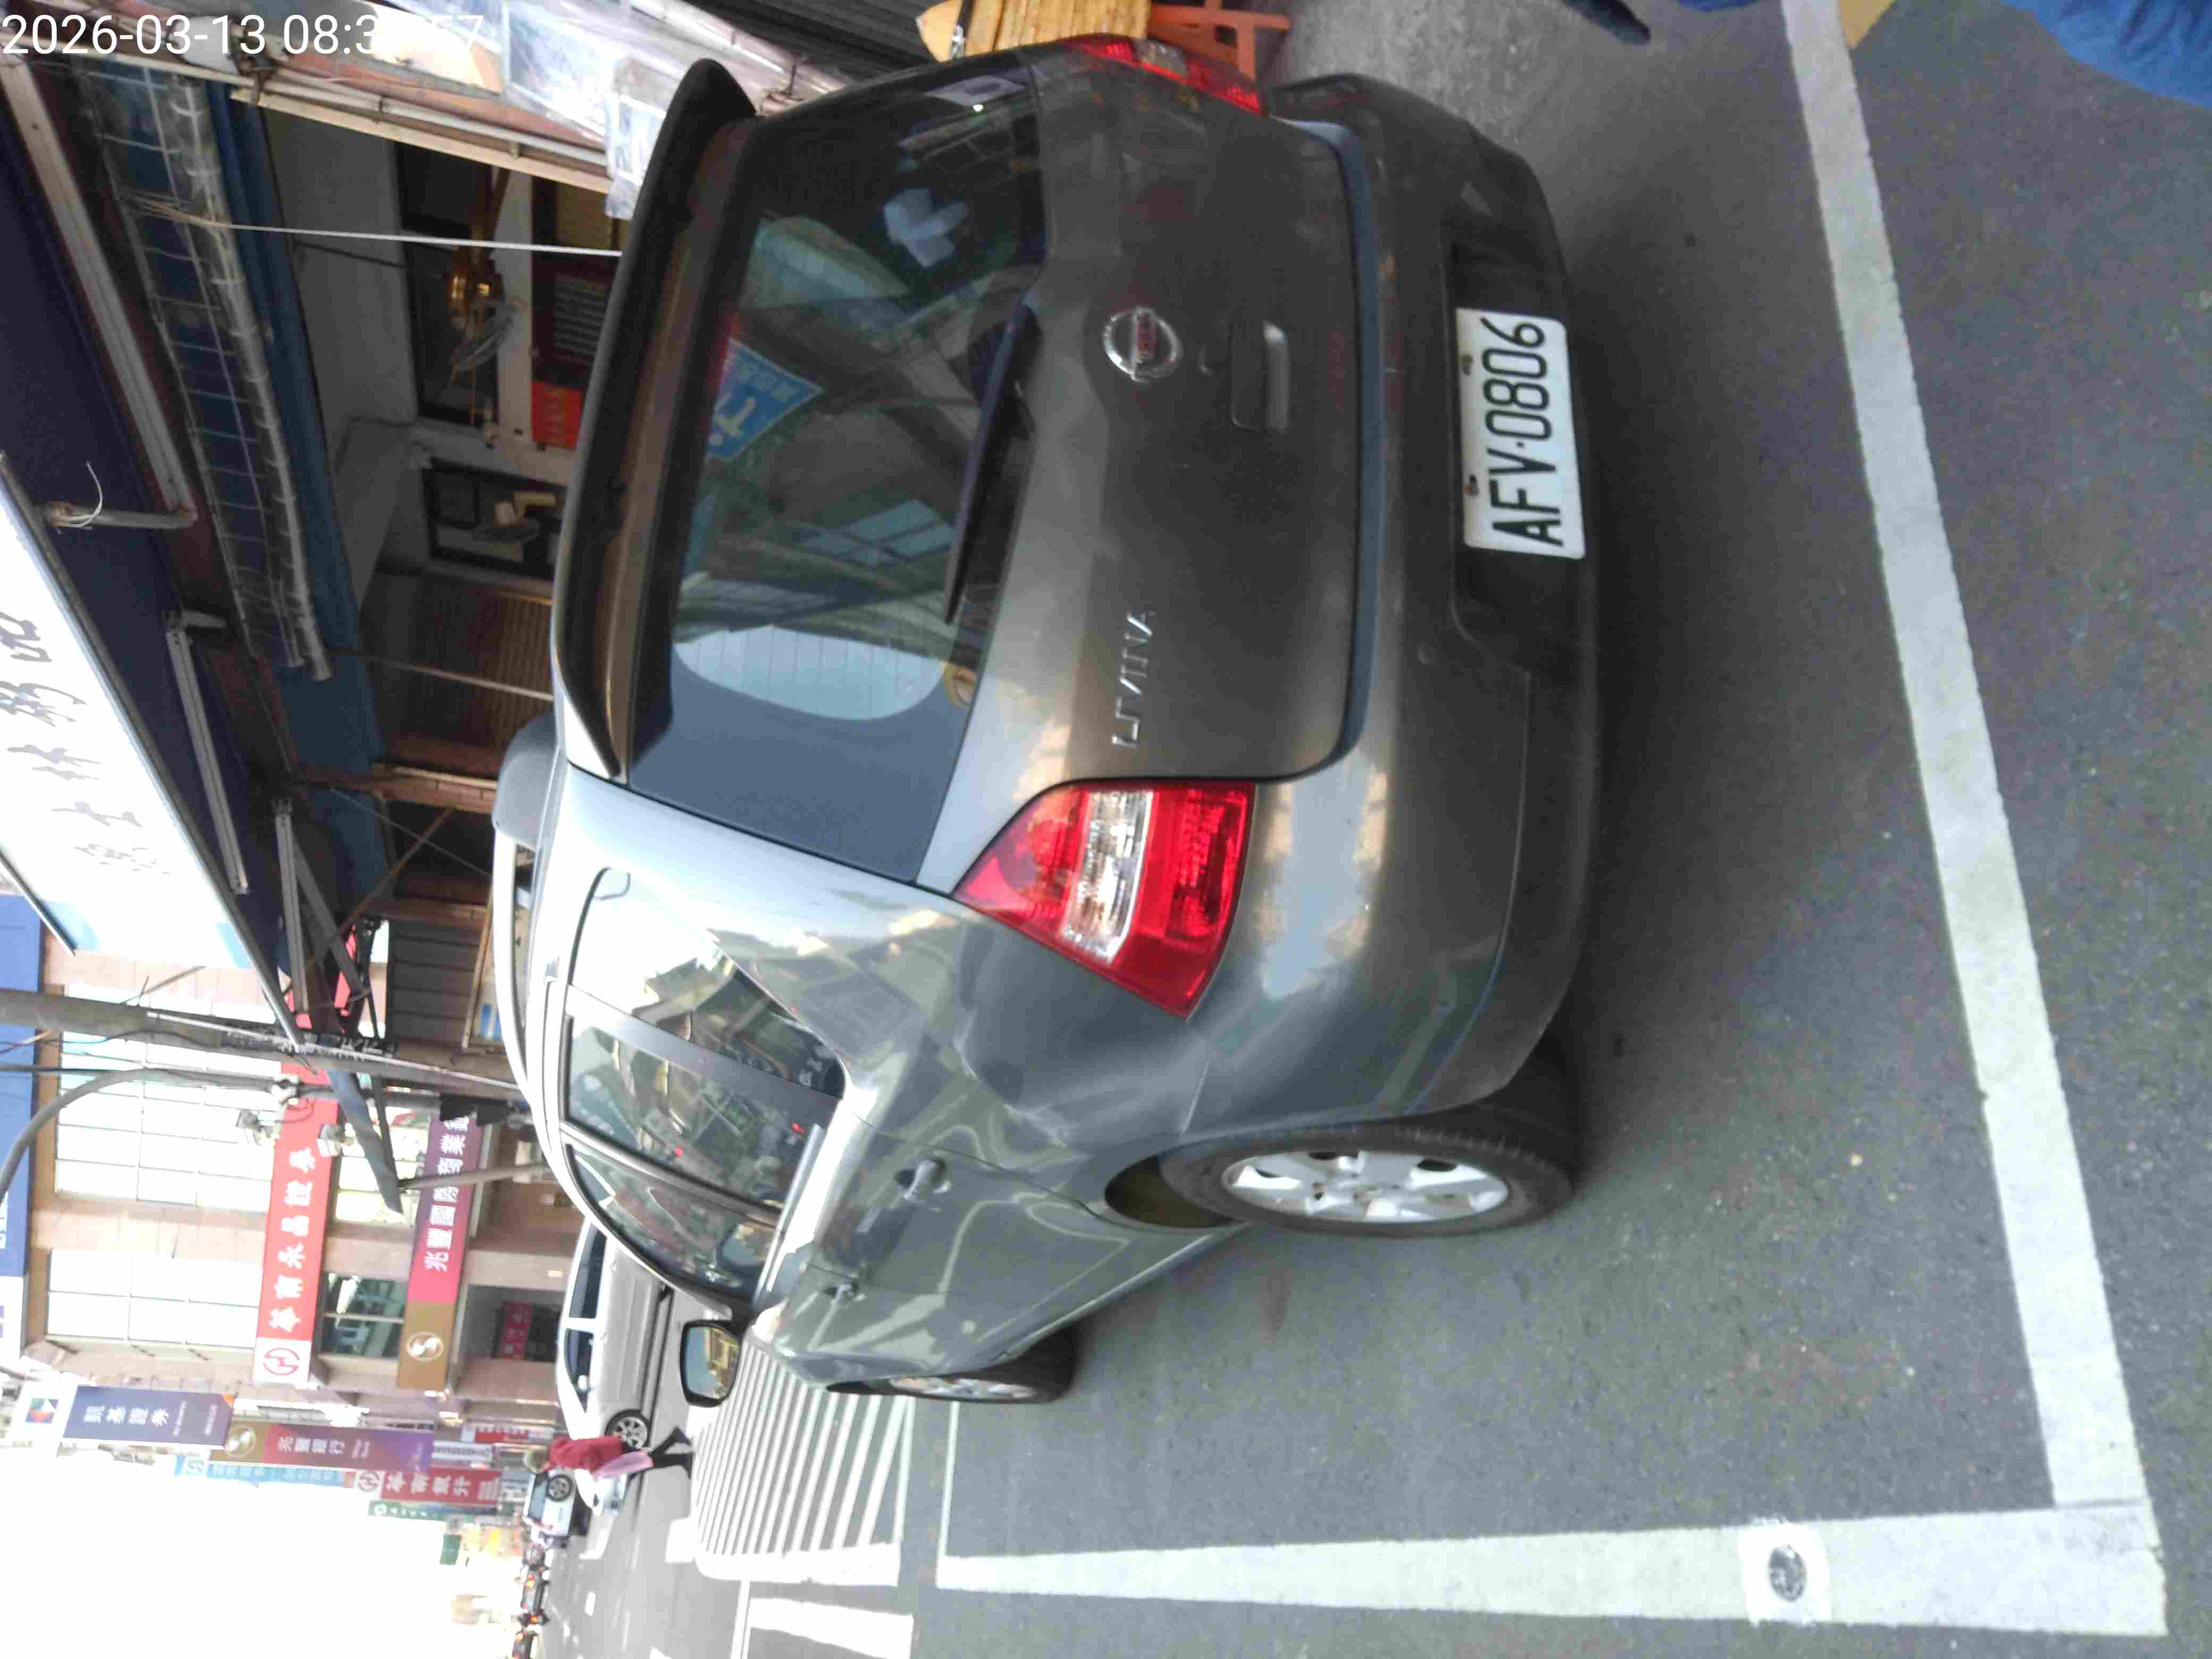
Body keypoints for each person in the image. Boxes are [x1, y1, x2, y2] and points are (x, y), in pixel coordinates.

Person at [544, 1427, 693, 1481]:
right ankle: (675, 1440)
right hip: (609, 1447)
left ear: (543, 1463)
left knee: (650, 1461)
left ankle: (683, 1458)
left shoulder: (560, 1458)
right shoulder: (557, 1450)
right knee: (648, 1460)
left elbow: (586, 1452)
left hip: (612, 1455)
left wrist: (593, 1470)